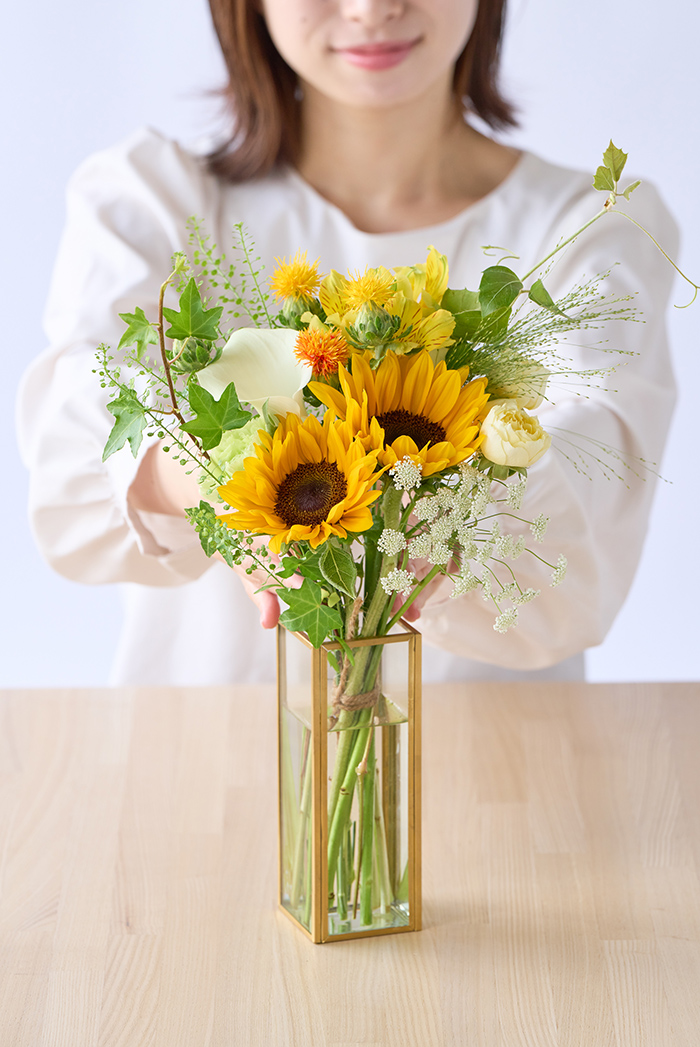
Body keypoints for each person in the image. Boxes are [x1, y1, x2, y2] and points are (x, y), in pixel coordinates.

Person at [17, 0, 677, 685]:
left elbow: (594, 480)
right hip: (206, 755)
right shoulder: (156, 203)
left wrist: (412, 546)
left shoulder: (588, 230)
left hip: (498, 764)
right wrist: (229, 497)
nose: (372, 9)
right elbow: (84, 427)